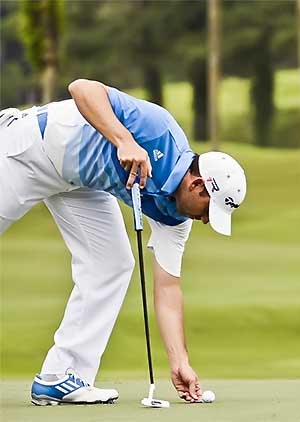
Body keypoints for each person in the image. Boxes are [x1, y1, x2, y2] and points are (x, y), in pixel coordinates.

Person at [0, 79, 247, 404]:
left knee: (112, 263)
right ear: (198, 185)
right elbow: (81, 89)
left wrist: (179, 362)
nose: (204, 220)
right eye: (207, 211)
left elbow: (168, 290)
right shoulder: (159, 129)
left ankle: (61, 376)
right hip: (28, 151)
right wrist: (124, 140)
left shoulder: (176, 218)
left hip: (78, 183)